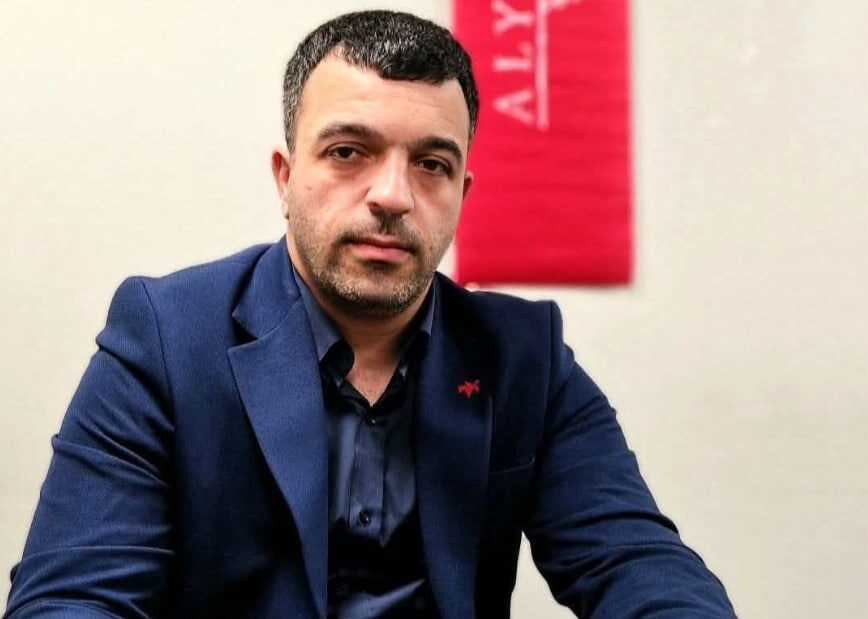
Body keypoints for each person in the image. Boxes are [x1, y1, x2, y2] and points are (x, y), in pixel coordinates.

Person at [4, 10, 735, 619]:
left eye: (431, 164)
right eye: (349, 152)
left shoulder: (523, 356)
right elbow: (72, 598)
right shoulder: (166, 338)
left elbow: (636, 562)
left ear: (461, 194)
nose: (392, 195)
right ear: (285, 178)